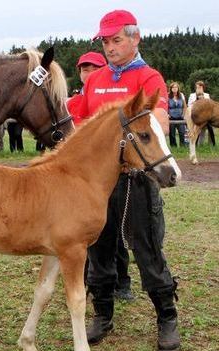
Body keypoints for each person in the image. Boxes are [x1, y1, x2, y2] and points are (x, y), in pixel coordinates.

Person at [77, 9, 180, 351]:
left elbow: (161, 122)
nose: (109, 47)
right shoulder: (94, 80)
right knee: (99, 248)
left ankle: (166, 316)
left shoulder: (148, 78)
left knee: (147, 249)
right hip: (96, 183)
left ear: (135, 38)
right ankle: (102, 315)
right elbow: (79, 122)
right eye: (105, 41)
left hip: (137, 179)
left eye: (116, 39)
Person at [71, 51, 134, 301]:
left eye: (93, 69)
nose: (88, 74)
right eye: (83, 69)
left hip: (112, 173)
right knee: (83, 231)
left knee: (115, 228)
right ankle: (90, 280)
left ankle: (122, 281)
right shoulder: (74, 102)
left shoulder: (111, 103)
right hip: (80, 177)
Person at [67, 51, 107, 125]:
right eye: (85, 70)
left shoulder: (114, 99)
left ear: (106, 72)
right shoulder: (70, 104)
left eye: (95, 69)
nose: (91, 74)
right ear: (80, 74)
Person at [188, 81, 215, 146]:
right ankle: (196, 144)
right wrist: (197, 100)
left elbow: (210, 105)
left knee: (210, 127)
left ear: (203, 87)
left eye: (200, 87)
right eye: (197, 87)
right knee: (198, 127)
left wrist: (203, 99)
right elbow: (189, 105)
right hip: (196, 116)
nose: (198, 88)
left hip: (205, 116)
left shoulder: (206, 95)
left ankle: (213, 143)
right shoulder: (192, 95)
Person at [168, 82, 188, 147]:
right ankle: (174, 147)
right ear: (171, 89)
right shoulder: (167, 96)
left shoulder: (181, 95)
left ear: (178, 88)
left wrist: (183, 114)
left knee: (182, 132)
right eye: (173, 87)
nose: (174, 88)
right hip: (171, 118)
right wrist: (167, 114)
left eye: (176, 87)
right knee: (172, 134)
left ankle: (183, 146)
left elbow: (185, 106)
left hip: (180, 118)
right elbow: (165, 106)